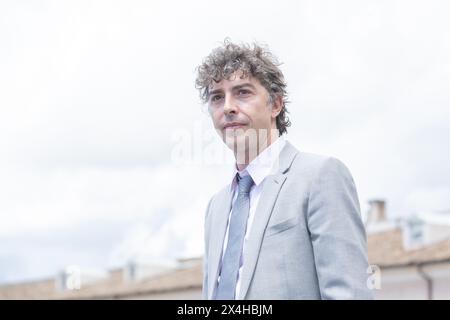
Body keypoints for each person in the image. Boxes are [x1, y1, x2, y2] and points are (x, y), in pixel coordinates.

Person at [195, 40, 373, 300]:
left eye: (242, 92)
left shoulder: (320, 176)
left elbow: (350, 294)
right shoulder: (216, 206)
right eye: (217, 97)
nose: (228, 107)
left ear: (276, 105)